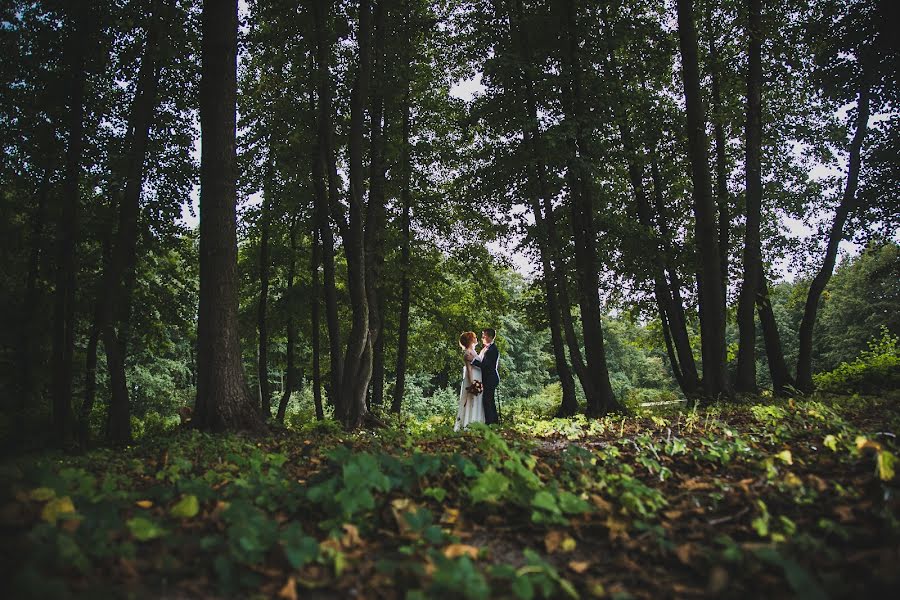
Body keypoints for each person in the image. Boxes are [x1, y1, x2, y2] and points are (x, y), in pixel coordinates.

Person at [454, 331, 484, 431]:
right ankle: (468, 424)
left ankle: (476, 423)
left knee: (477, 402)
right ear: (471, 340)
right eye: (474, 337)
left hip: (478, 377)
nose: (476, 338)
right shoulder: (468, 353)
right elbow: (469, 369)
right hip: (473, 378)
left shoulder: (473, 351)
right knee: (471, 401)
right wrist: (473, 383)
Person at [471, 328, 500, 424]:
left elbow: (486, 366)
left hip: (490, 378)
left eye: (485, 335)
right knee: (489, 401)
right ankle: (493, 422)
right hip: (488, 378)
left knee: (487, 401)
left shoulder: (492, 350)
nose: (482, 337)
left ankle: (491, 423)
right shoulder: (486, 349)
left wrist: (473, 361)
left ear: (490, 337)